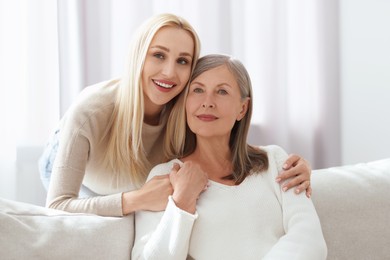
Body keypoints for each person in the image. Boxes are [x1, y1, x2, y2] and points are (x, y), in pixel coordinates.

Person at [40, 13, 312, 217]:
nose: (170, 73)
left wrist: (285, 164)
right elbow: (57, 206)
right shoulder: (91, 111)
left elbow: (222, 146)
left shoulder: (185, 103)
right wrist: (135, 199)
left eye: (182, 61)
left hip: (129, 176)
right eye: (158, 55)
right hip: (81, 169)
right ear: (139, 57)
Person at [132, 54, 327, 259]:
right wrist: (182, 201)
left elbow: (310, 240)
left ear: (242, 108)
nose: (207, 102)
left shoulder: (277, 161)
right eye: (197, 90)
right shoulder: (166, 176)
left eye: (222, 91)